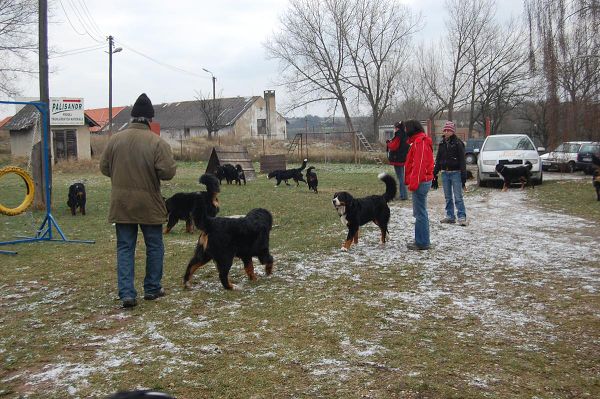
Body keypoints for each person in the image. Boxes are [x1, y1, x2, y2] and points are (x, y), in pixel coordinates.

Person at [100, 93, 177, 308]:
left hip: (122, 203)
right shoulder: (156, 142)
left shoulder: (115, 140)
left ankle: (127, 294)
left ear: (133, 116)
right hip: (149, 205)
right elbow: (167, 173)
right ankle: (152, 288)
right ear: (150, 119)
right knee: (154, 246)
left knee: (125, 247)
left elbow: (104, 168)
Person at [404, 119, 434, 250]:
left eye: (406, 129)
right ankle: (421, 240)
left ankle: (422, 242)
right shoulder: (418, 142)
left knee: (420, 213)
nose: (404, 131)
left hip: (421, 182)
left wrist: (414, 183)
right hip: (422, 181)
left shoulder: (419, 143)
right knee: (420, 212)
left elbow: (419, 165)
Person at [432, 120, 468, 226]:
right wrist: (434, 172)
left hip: (456, 173)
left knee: (458, 197)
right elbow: (438, 159)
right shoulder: (442, 144)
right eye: (445, 130)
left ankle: (462, 217)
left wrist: (463, 175)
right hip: (445, 173)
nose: (446, 132)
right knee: (448, 197)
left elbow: (462, 160)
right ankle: (450, 216)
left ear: (453, 132)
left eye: (449, 130)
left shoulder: (458, 143)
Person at [386, 121, 410, 200]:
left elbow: (393, 146)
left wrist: (388, 143)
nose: (394, 129)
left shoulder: (398, 135)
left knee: (400, 178)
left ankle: (403, 195)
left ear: (397, 128)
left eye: (395, 127)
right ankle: (403, 194)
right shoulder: (405, 135)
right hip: (403, 158)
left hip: (397, 159)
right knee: (401, 177)